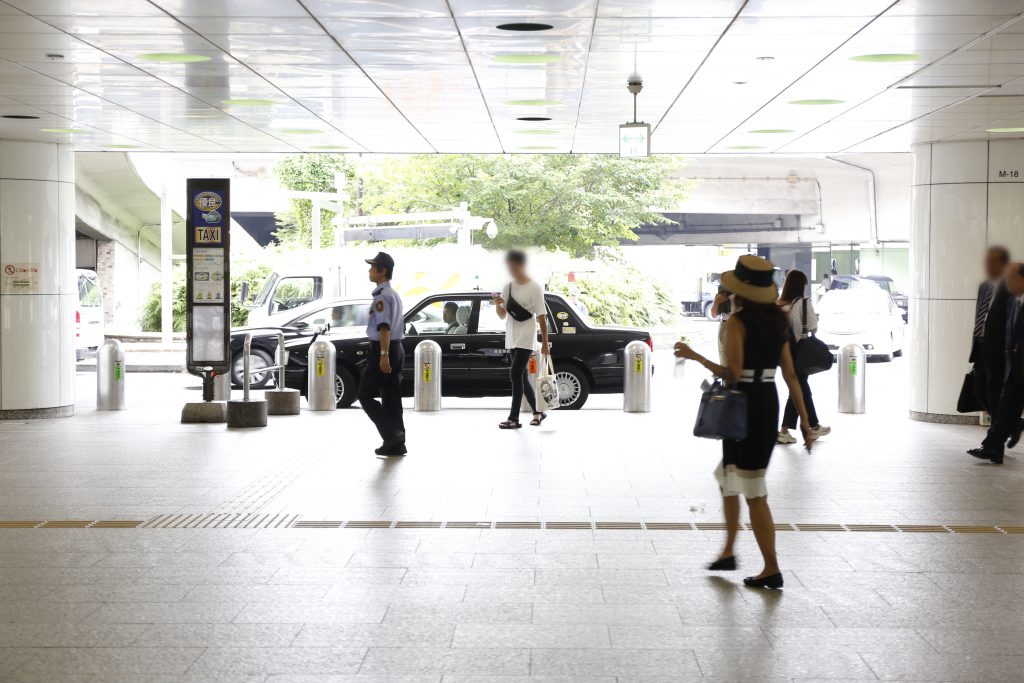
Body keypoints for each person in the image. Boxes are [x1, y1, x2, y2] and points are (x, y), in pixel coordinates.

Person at [675, 255, 813, 590]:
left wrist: (696, 356)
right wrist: (806, 424)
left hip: (744, 404)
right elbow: (791, 376)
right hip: (766, 401)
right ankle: (728, 551)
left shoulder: (738, 323)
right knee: (728, 478)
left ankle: (771, 567)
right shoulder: (777, 322)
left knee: (754, 493)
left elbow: (732, 373)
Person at [969, 261, 1024, 465]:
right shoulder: (987, 286)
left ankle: (995, 443)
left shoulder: (1011, 293)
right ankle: (1006, 430)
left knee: (1006, 398)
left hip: (1007, 355)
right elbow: (982, 319)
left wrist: (1010, 351)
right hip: (988, 348)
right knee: (983, 390)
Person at [493, 249, 550, 429]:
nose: (511, 270)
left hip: (526, 337)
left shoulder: (535, 287)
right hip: (511, 336)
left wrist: (545, 344)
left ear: (522, 265)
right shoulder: (507, 286)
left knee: (515, 373)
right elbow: (502, 314)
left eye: (513, 266)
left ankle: (514, 418)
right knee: (522, 377)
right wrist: (497, 305)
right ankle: (538, 412)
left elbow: (542, 316)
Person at [357, 252, 407, 457]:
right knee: (391, 396)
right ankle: (397, 443)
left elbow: (384, 328)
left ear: (383, 270)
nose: (369, 270)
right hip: (397, 348)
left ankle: (391, 434)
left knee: (365, 395)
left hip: (384, 349)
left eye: (372, 267)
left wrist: (383, 355)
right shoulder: (393, 294)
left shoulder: (382, 297)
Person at [776, 270, 830, 444]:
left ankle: (784, 430)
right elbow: (813, 329)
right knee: (801, 389)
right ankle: (813, 426)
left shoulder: (779, 303)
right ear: (801, 286)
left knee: (796, 389)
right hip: (799, 352)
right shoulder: (803, 304)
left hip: (781, 353)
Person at [970, 246, 1011, 416]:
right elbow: (980, 314)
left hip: (1000, 347)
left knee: (995, 390)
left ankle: (996, 435)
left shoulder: (1011, 287)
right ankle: (1007, 423)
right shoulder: (984, 286)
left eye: (992, 261)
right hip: (981, 344)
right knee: (978, 387)